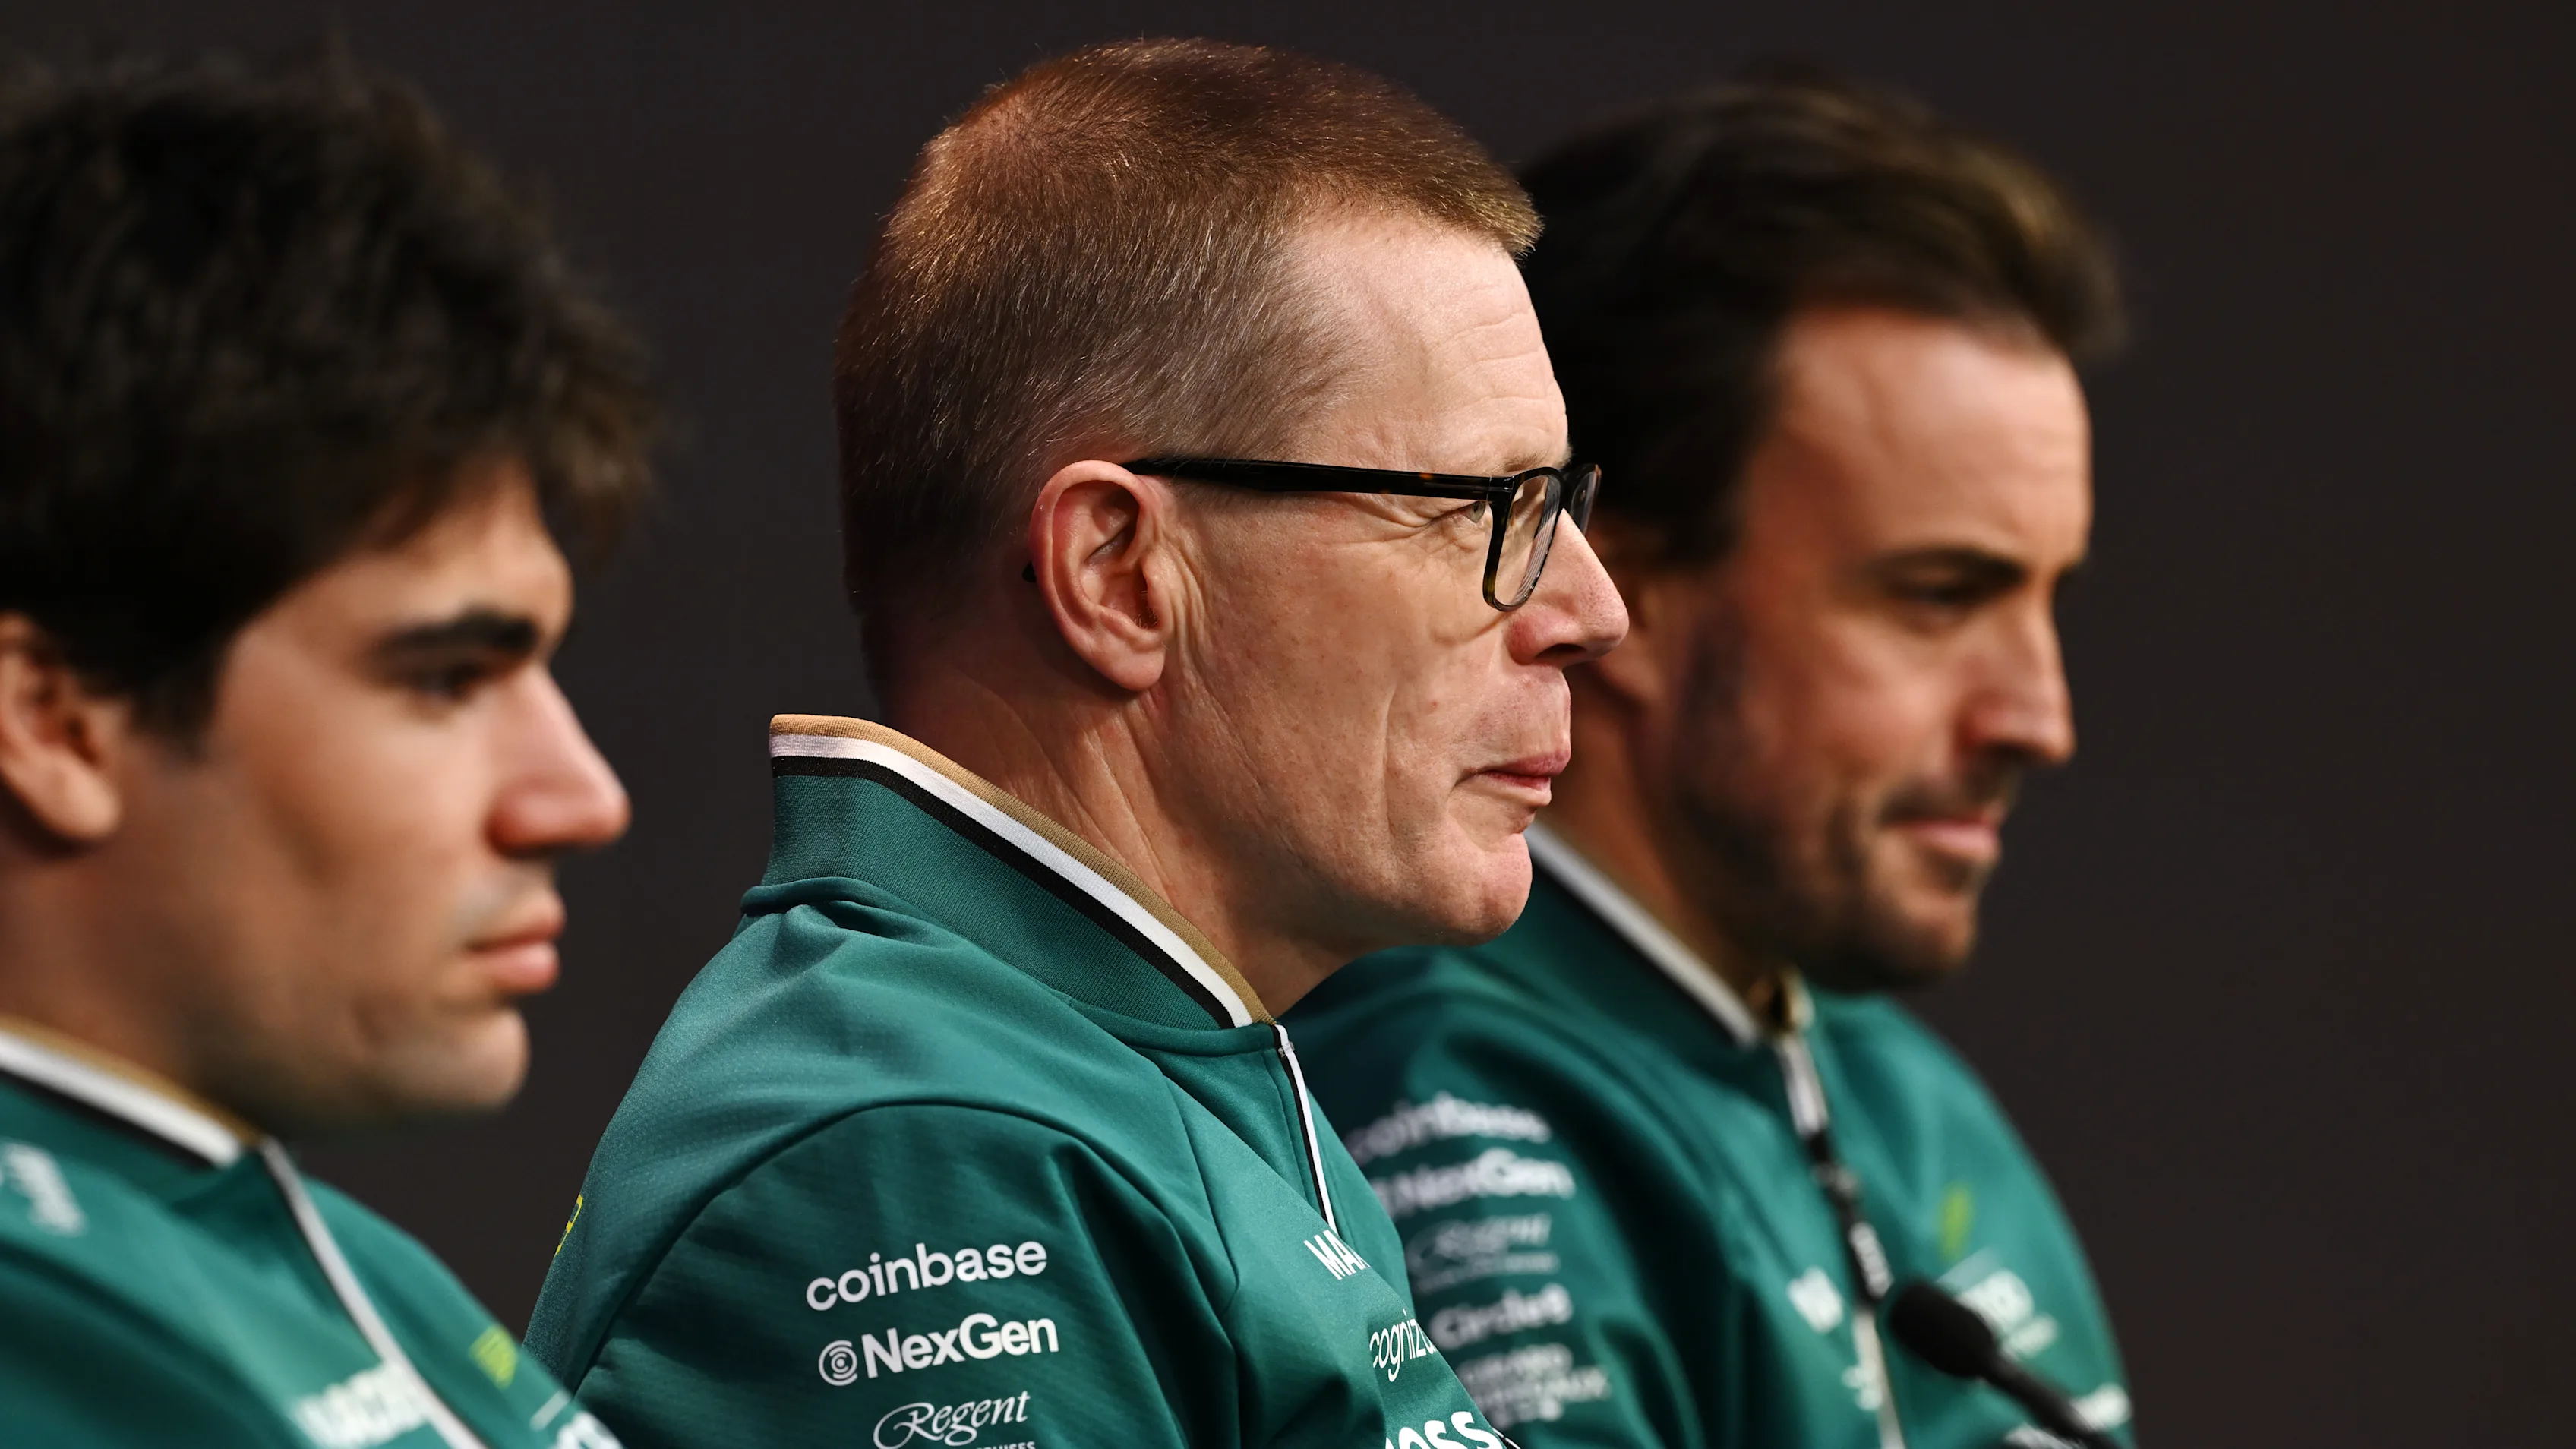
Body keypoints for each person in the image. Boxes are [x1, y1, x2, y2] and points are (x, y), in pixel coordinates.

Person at [526, 37, 1626, 1449]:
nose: (1590, 610)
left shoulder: (1135, 1066)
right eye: (1486, 507)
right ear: (1119, 575)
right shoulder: (928, 1157)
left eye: (1561, 505)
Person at [1290, 72, 2133, 1449]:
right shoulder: (1440, 1106)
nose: (2039, 718)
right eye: (1937, 598)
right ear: (1617, 592)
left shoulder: (1898, 1090)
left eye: (2050, 600)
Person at [0, 52, 653, 1447]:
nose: (581, 798)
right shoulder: (42, 1329)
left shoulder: (327, 1249)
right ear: (51, 723)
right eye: (445, 678)